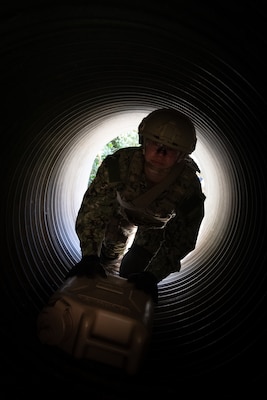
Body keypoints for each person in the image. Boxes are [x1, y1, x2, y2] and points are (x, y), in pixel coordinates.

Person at [67, 108, 206, 303]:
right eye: (155, 143)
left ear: (182, 155)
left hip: (156, 227)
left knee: (134, 272)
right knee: (108, 258)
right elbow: (94, 209)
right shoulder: (119, 164)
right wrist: (89, 255)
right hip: (121, 216)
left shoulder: (188, 186)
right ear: (143, 140)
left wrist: (154, 275)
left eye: (170, 149)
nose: (161, 152)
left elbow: (182, 238)